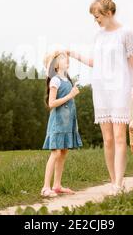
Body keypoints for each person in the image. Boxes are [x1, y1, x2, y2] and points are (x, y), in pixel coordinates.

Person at [67, 0, 133, 196]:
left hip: (121, 89)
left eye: (97, 16)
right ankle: (113, 181)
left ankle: (119, 183)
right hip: (101, 90)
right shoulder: (98, 35)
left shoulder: (126, 33)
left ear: (109, 13)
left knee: (119, 138)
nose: (96, 20)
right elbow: (94, 62)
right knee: (107, 139)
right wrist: (73, 54)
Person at [40, 51, 83, 197]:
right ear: (56, 65)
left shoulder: (67, 80)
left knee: (63, 152)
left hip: (67, 122)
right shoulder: (55, 81)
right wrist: (70, 95)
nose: (67, 60)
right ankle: (46, 187)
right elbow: (51, 104)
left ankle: (57, 185)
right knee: (56, 152)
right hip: (58, 122)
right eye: (64, 58)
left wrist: (72, 93)